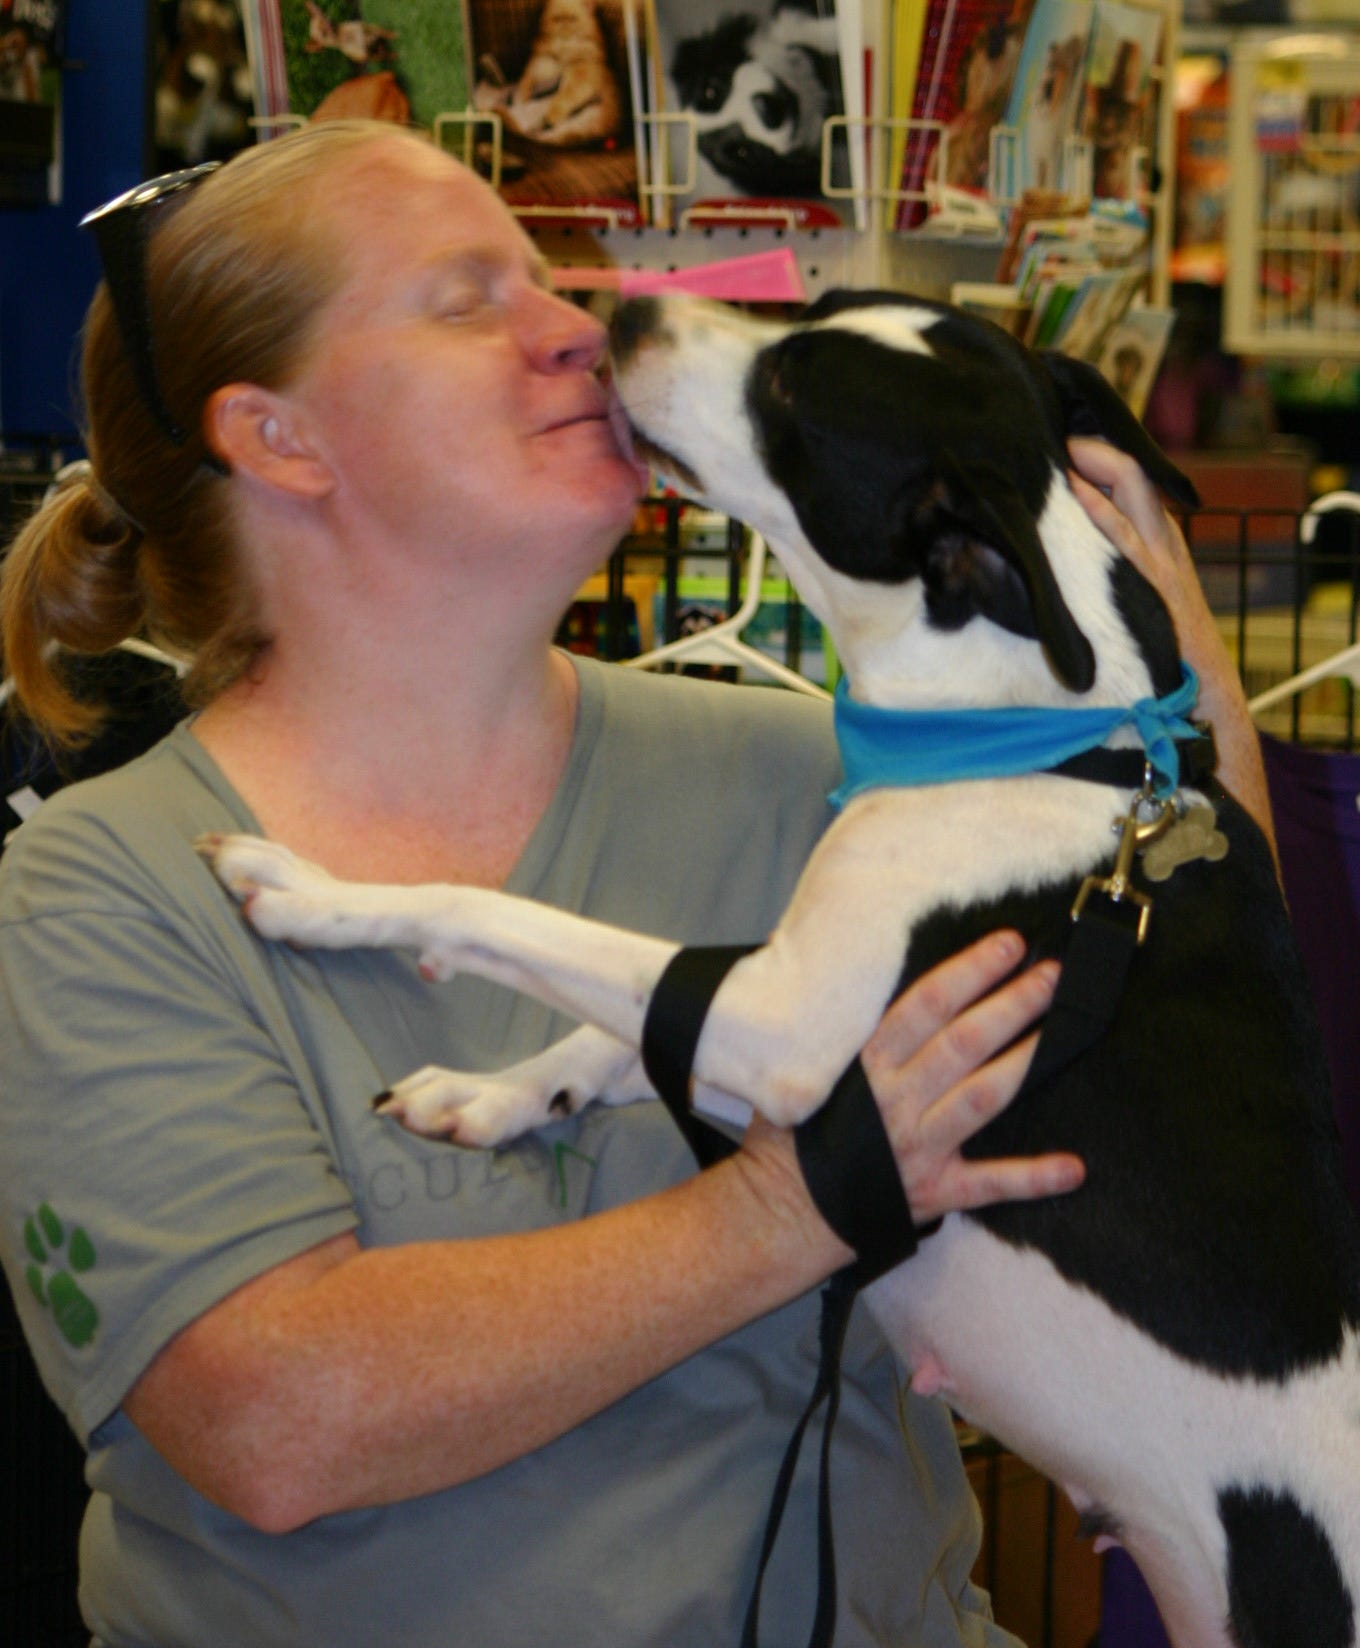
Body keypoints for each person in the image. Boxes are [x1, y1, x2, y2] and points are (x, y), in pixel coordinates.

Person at [0, 121, 1271, 1648]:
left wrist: (1110, 558)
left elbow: (1195, 934)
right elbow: (281, 1420)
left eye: (546, 279)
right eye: (468, 300)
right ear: (280, 439)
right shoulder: (102, 889)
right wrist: (791, 1211)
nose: (571, 329)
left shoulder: (819, 782)